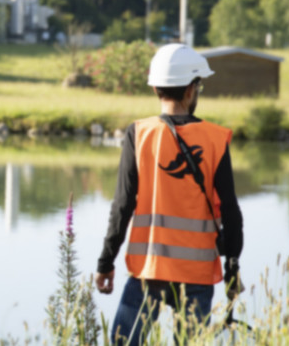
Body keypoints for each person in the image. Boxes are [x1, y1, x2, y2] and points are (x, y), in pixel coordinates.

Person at [95, 43, 244, 345]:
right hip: (198, 274)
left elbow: (122, 205)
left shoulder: (139, 134)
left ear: (156, 89)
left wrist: (106, 262)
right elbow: (230, 211)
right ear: (191, 89)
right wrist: (232, 269)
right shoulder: (215, 140)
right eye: (199, 85)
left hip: (149, 270)